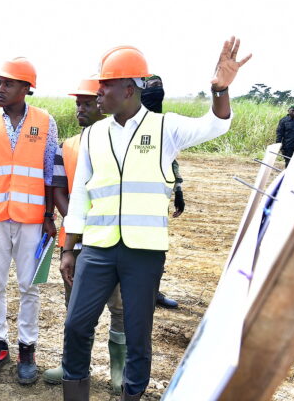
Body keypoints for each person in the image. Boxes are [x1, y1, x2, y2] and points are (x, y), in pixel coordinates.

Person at [60, 38, 251, 400]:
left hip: (143, 254)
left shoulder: (167, 129)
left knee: (137, 333)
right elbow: (81, 194)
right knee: (76, 325)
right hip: (97, 249)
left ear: (129, 89)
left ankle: (133, 394)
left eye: (105, 86)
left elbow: (216, 125)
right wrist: (69, 248)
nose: (97, 93)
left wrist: (221, 90)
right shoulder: (93, 135)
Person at [0, 57, 58, 385]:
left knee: (30, 286)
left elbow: (50, 173)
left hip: (33, 220)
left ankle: (27, 349)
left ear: (26, 88)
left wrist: (50, 216)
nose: (0, 89)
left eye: (8, 84)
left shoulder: (45, 122)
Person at [43, 78, 128, 393]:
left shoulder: (121, 143)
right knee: (75, 304)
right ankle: (73, 364)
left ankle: (120, 366)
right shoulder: (67, 146)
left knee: (118, 306)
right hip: (76, 240)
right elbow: (58, 189)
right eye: (78, 104)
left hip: (113, 239)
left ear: (103, 104)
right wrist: (78, 219)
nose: (81, 109)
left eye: (87, 103)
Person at [141, 75, 183, 310]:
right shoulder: (128, 121)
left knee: (155, 247)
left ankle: (152, 291)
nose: (156, 92)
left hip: (156, 197)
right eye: (150, 88)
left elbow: (172, 161)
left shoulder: (164, 124)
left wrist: (178, 190)